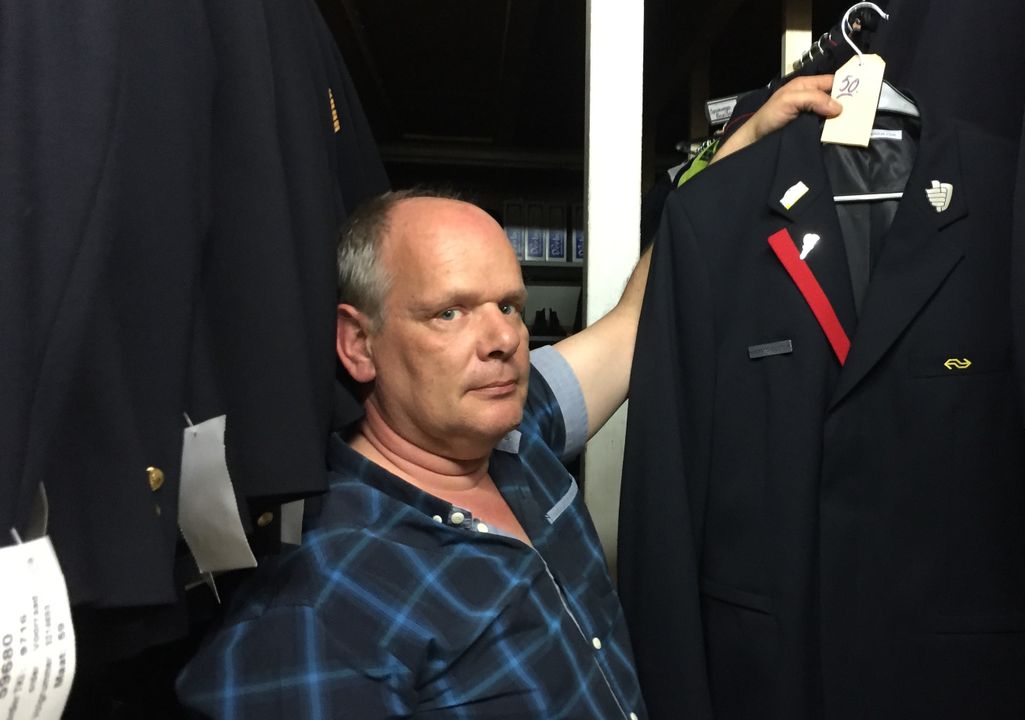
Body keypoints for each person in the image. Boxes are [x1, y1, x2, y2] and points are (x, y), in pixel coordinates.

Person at [175, 75, 840, 719]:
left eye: (509, 306)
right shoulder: (318, 604)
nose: (502, 339)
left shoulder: (520, 435)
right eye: (450, 313)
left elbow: (637, 319)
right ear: (358, 343)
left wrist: (734, 152)